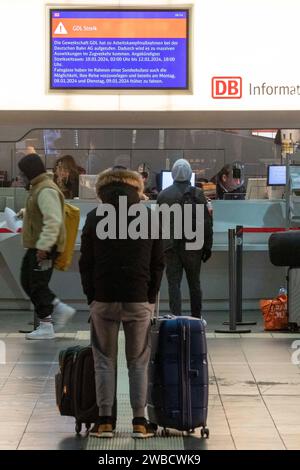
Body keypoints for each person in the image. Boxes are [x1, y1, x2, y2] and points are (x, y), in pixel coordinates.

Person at [79, 167, 164, 438]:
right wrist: (150, 298)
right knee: (138, 361)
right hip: (138, 298)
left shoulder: (94, 217)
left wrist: (91, 297)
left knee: (103, 360)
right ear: (136, 190)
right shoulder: (149, 217)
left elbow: (86, 263)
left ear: (102, 191)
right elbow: (158, 263)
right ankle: (140, 422)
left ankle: (104, 421)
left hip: (103, 298)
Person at [18, 153, 76, 340]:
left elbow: (53, 220)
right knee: (29, 281)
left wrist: (44, 247)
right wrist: (26, 213)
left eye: (22, 172)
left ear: (30, 172)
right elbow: (44, 211)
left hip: (43, 247)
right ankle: (52, 314)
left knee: (36, 284)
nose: (21, 176)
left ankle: (50, 320)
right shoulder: (40, 188)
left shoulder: (45, 189)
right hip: (38, 245)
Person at [157, 159, 213, 318]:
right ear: (190, 174)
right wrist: (207, 246)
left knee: (173, 284)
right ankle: (196, 318)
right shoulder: (199, 194)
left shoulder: (163, 195)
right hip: (193, 246)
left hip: (171, 247)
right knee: (194, 283)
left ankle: (175, 317)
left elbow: (159, 224)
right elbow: (207, 223)